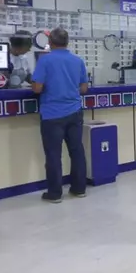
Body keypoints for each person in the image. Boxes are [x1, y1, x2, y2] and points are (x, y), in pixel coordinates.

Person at [32, 28, 89, 203]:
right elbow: (84, 88)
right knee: (77, 151)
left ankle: (55, 194)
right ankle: (79, 189)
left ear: (50, 42)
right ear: (67, 42)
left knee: (53, 154)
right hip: (75, 111)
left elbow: (37, 88)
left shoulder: (45, 60)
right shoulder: (77, 61)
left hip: (52, 114)